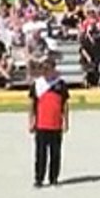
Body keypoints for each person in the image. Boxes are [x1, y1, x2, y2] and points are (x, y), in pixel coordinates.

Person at [28, 57, 70, 188]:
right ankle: (39, 178)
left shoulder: (60, 84)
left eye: (48, 69)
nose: (45, 71)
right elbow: (31, 104)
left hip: (56, 124)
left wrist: (66, 121)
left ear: (53, 69)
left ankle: (54, 178)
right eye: (43, 69)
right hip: (41, 124)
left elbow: (65, 104)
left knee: (55, 153)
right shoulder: (37, 84)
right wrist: (31, 121)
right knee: (40, 154)